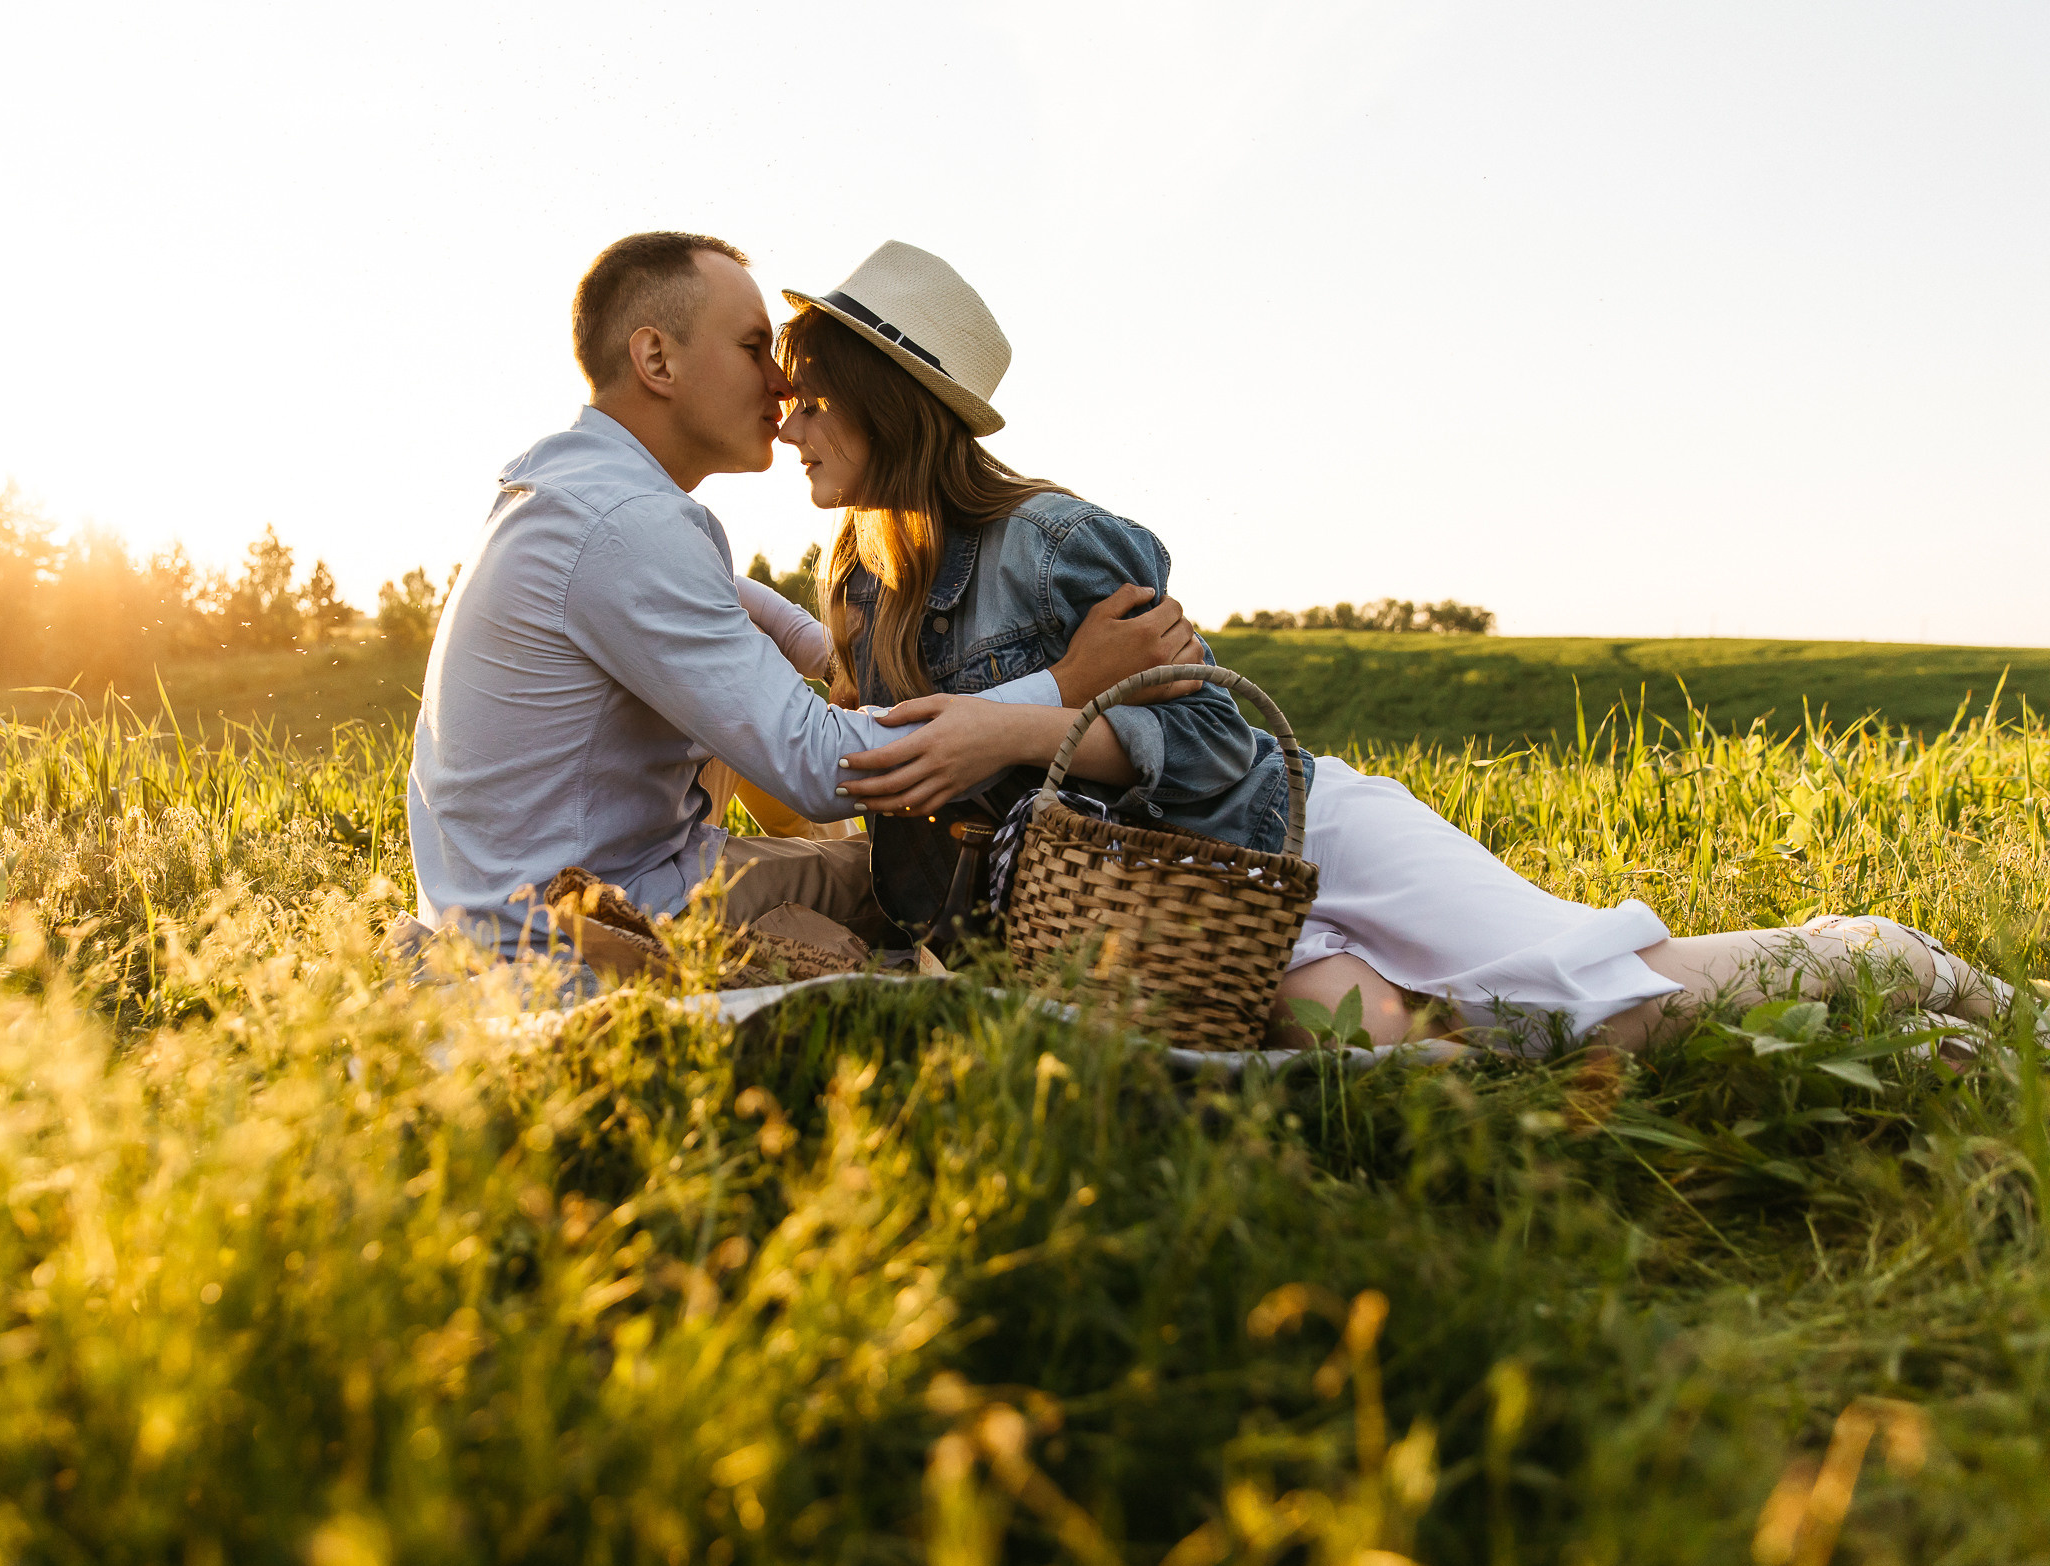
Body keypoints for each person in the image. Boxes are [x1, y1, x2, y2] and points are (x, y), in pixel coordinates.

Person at [782, 240, 2031, 1053]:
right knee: (1427, 1049)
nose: (789, 427)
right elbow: (885, 789)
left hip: (1295, 834)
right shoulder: (857, 590)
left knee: (1590, 993)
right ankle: (1903, 1042)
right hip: (1189, 922)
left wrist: (1013, 726)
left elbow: (1210, 743)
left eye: (814, 397)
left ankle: (1885, 957)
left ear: (895, 403)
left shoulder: (1051, 541)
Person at [405, 232, 1195, 959]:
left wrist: (825, 652)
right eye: (753, 348)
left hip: (523, 891)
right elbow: (822, 768)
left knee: (855, 832)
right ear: (656, 360)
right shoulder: (628, 524)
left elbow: (723, 596)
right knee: (903, 887)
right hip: (579, 923)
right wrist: (1065, 684)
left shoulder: (577, 491)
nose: (781, 384)